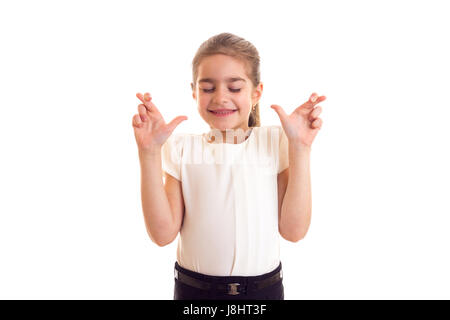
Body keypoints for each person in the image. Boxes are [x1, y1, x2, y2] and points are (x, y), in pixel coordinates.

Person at [132, 32, 326, 300]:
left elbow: (294, 231)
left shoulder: (275, 142)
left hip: (263, 292)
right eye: (208, 88)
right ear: (193, 91)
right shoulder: (182, 148)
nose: (220, 98)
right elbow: (162, 234)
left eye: (234, 88)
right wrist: (149, 153)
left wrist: (301, 149)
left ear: (256, 92)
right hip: (195, 293)